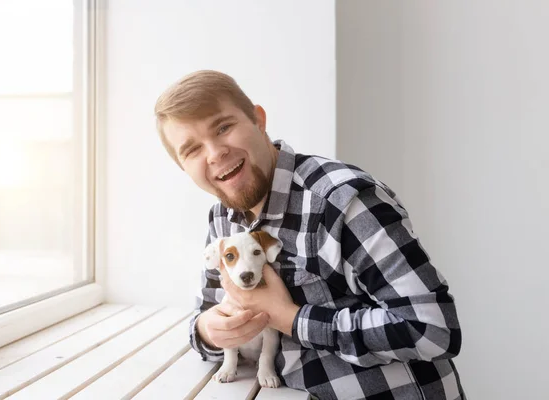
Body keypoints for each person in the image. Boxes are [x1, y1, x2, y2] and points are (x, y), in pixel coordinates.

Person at [154, 70, 466, 400]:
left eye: (223, 127)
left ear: (259, 120)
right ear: (182, 167)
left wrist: (289, 318)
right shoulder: (222, 219)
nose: (215, 153)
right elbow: (204, 316)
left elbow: (434, 330)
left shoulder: (343, 201)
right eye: (191, 149)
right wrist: (210, 331)